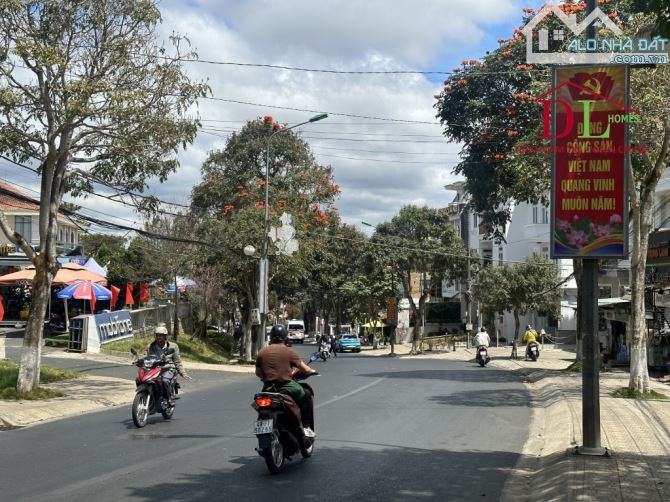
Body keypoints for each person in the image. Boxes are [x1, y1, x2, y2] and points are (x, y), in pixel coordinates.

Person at [256, 325, 317, 437]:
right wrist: (312, 371)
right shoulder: (289, 352)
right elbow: (305, 369)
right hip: (286, 386)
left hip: (268, 388)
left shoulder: (262, 352)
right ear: (285, 337)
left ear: (271, 337)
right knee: (307, 395)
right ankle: (306, 426)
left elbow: (258, 373)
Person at [146, 325, 191, 406]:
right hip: (154, 369)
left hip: (168, 369)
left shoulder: (173, 346)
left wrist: (183, 373)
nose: (158, 337)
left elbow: (177, 362)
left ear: (165, 336)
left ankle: (169, 398)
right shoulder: (150, 347)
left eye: (161, 335)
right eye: (157, 335)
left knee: (164, 380)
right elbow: (146, 357)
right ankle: (146, 395)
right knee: (140, 379)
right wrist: (139, 361)